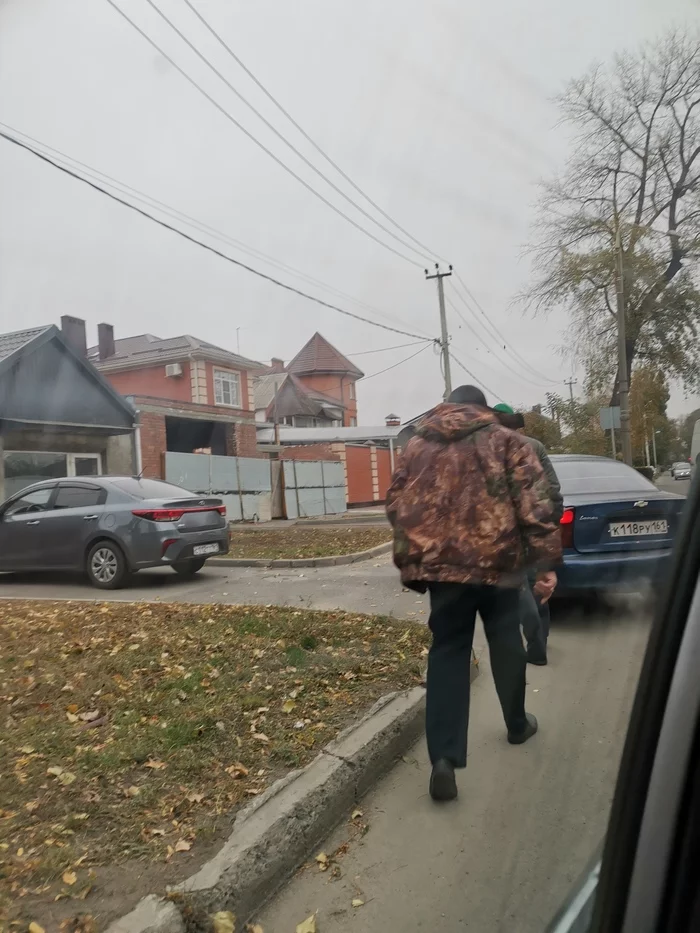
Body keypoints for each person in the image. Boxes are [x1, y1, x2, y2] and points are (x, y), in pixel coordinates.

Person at [386, 385, 561, 802]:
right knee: (505, 642)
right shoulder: (508, 441)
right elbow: (535, 507)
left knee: (447, 652)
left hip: (444, 572)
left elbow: (395, 502)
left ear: (448, 407)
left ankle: (444, 760)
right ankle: (517, 724)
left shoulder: (415, 447)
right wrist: (545, 567)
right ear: (482, 409)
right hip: (499, 568)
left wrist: (423, 541)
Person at [492, 404, 563, 666]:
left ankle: (519, 638)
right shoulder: (535, 446)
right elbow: (552, 488)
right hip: (535, 524)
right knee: (539, 584)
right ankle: (538, 644)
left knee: (516, 585)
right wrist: (553, 520)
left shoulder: (489, 447)